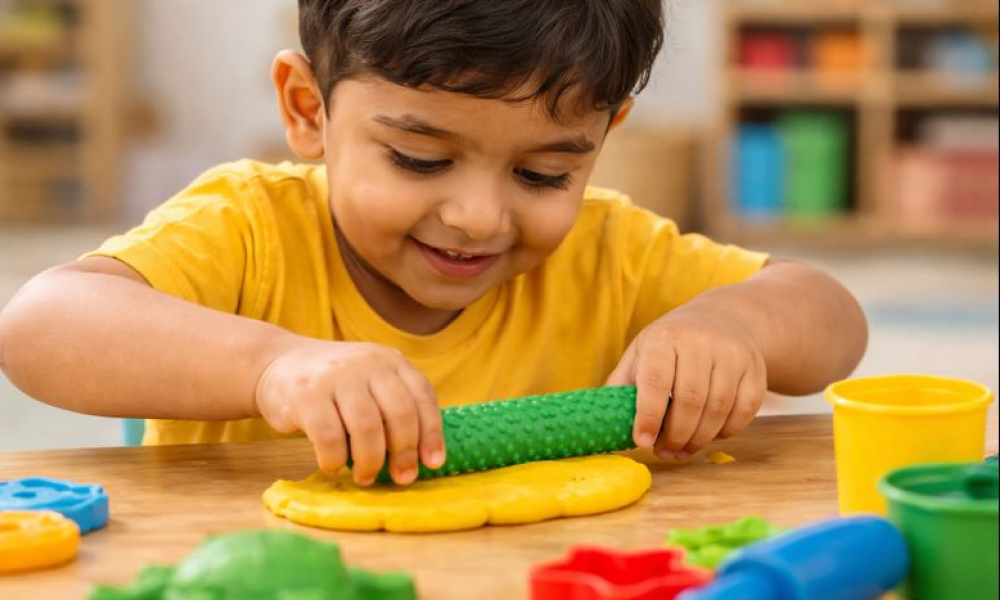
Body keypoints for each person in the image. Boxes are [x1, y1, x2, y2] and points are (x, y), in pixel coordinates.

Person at [0, 0, 867, 488]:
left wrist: (736, 326)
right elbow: (42, 326)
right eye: (420, 158)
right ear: (309, 111)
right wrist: (273, 367)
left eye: (542, 175)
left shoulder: (610, 252)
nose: (479, 218)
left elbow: (831, 319)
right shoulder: (250, 227)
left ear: (603, 138)